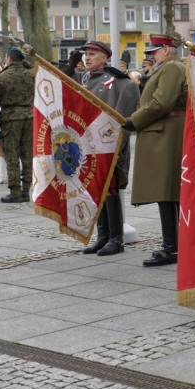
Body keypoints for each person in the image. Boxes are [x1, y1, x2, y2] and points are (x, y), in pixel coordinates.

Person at [65, 40, 139, 256]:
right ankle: (103, 235)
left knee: (111, 191)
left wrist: (117, 148)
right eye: (86, 54)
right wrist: (70, 65)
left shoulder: (118, 82)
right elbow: (63, 85)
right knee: (96, 190)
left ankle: (116, 239)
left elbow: (124, 119)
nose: (87, 58)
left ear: (105, 57)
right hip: (88, 147)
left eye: (93, 54)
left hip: (109, 147)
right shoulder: (85, 78)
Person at [125, 34, 186, 267]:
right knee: (167, 196)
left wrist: (135, 120)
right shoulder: (167, 68)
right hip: (164, 132)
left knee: (168, 194)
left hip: (167, 134)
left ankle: (172, 249)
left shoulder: (172, 69)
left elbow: (162, 102)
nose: (149, 55)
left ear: (167, 50)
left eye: (154, 51)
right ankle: (173, 246)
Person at [0, 46, 35, 203]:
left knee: (12, 155)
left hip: (10, 119)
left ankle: (15, 191)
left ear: (8, 59)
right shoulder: (32, 75)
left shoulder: (2, 78)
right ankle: (26, 190)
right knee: (27, 154)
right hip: (30, 117)